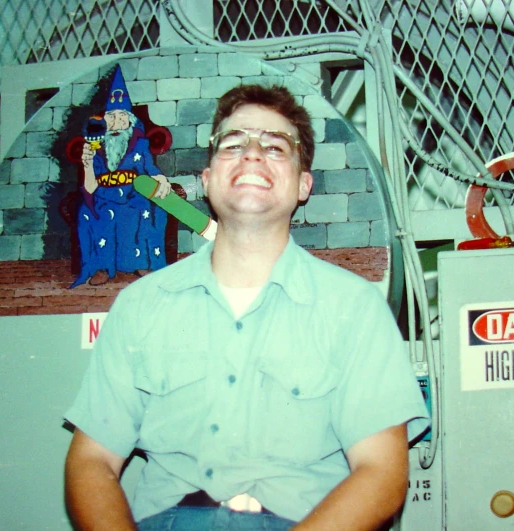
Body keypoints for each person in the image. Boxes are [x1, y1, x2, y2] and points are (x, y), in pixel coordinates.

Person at [64, 84, 430, 530]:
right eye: (233, 144)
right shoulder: (141, 306)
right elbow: (91, 460)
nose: (252, 154)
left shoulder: (354, 309)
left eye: (276, 147)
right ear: (206, 178)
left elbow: (382, 473)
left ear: (303, 184)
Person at [70, 65, 173, 288]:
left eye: (121, 117)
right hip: (104, 196)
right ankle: (101, 266)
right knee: (93, 213)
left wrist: (161, 179)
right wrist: (87, 165)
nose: (116, 123)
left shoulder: (140, 144)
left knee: (144, 210)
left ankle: (143, 261)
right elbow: (89, 188)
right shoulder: (95, 148)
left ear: (130, 120)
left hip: (134, 194)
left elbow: (150, 169)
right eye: (111, 117)